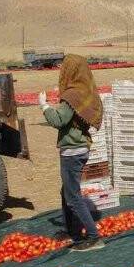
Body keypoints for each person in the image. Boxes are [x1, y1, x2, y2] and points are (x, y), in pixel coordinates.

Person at [39, 54, 105, 252]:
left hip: (72, 151)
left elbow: (58, 120)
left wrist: (44, 106)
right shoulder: (85, 91)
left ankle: (93, 237)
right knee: (66, 192)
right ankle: (73, 231)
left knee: (73, 196)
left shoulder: (72, 96)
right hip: (80, 147)